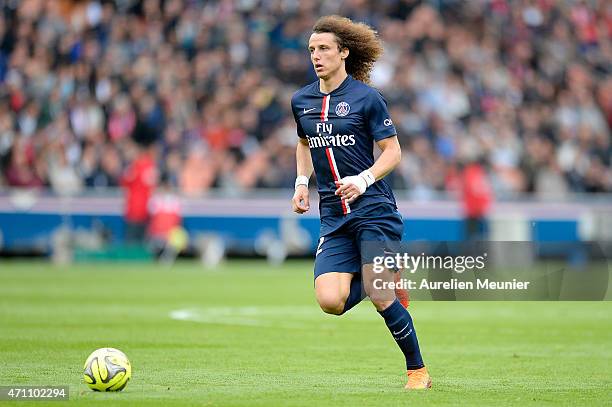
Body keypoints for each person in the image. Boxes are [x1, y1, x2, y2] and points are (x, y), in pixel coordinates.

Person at [290, 15, 431, 389]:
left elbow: (393, 151)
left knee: (381, 293)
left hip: (373, 210)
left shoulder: (367, 98)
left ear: (343, 53)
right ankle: (381, 278)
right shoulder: (301, 101)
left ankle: (418, 372)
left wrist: (364, 178)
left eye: (323, 49)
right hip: (334, 217)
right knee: (330, 301)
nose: (316, 57)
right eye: (312, 50)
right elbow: (303, 143)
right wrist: (302, 183)